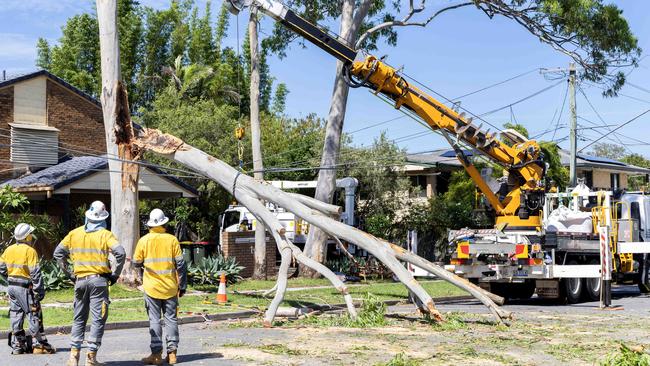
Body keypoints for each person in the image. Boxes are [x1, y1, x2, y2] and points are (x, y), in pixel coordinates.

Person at [53, 201, 126, 366]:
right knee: (98, 319)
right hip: (98, 281)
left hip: (80, 282)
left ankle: (73, 357)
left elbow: (58, 253)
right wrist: (114, 275)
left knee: (79, 318)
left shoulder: (74, 234)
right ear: (103, 218)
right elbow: (120, 253)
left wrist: (70, 274)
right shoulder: (105, 234)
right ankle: (91, 358)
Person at [133, 208, 187, 365]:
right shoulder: (172, 240)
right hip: (170, 288)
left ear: (150, 224)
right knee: (171, 319)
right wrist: (182, 286)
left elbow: (136, 263)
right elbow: (181, 265)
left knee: (154, 320)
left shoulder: (144, 241)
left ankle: (156, 355)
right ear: (164, 223)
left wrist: (141, 277)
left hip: (151, 288)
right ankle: (172, 354)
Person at [0, 223, 55, 355]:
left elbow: (1, 269)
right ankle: (38, 345)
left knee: (16, 314)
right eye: (30, 233)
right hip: (25, 287)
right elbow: (35, 273)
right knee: (33, 313)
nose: (31, 235)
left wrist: (13, 277)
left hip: (12, 287)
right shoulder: (30, 251)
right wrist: (39, 291)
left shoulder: (9, 250)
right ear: (26, 237)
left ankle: (18, 345)